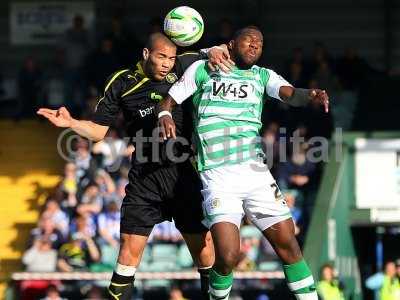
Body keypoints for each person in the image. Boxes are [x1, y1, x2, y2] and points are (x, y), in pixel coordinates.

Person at [37, 32, 233, 300]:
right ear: (145, 54)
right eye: (161, 57)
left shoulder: (183, 66)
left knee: (203, 248)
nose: (167, 64)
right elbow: (97, 132)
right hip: (145, 178)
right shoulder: (121, 82)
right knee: (128, 251)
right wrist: (71, 123)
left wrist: (216, 48)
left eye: (171, 58)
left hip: (183, 173)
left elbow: (220, 52)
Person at [158, 25, 329, 300]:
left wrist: (309, 94)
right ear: (231, 43)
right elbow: (168, 101)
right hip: (218, 177)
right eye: (249, 41)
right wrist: (163, 115)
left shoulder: (263, 76)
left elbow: (289, 93)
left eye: (260, 44)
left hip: (255, 174)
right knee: (227, 257)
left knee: (289, 246)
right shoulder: (202, 69)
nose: (254, 46)